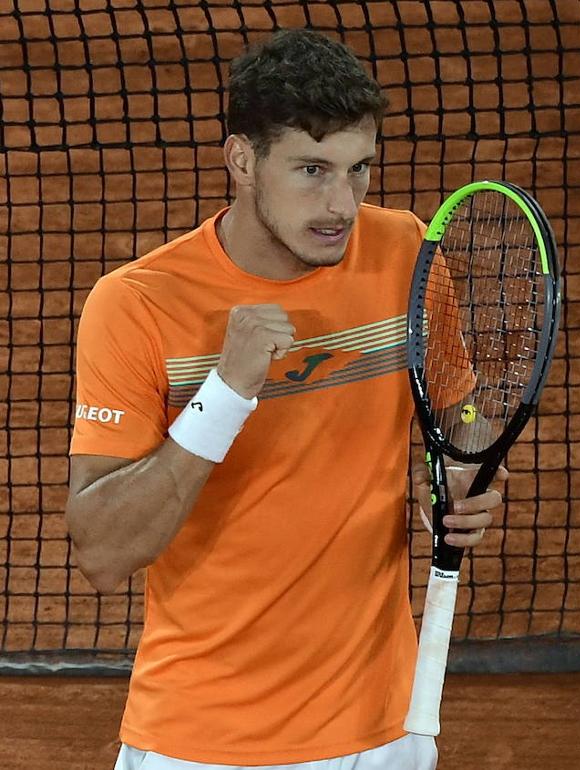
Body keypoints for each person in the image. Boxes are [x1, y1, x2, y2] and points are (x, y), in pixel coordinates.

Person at [65, 28, 502, 769]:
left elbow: (456, 408)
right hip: (205, 741)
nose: (342, 203)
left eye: (359, 170)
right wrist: (225, 394)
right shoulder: (136, 305)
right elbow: (103, 552)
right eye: (312, 170)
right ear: (243, 160)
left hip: (385, 726)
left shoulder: (407, 253)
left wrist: (462, 467)